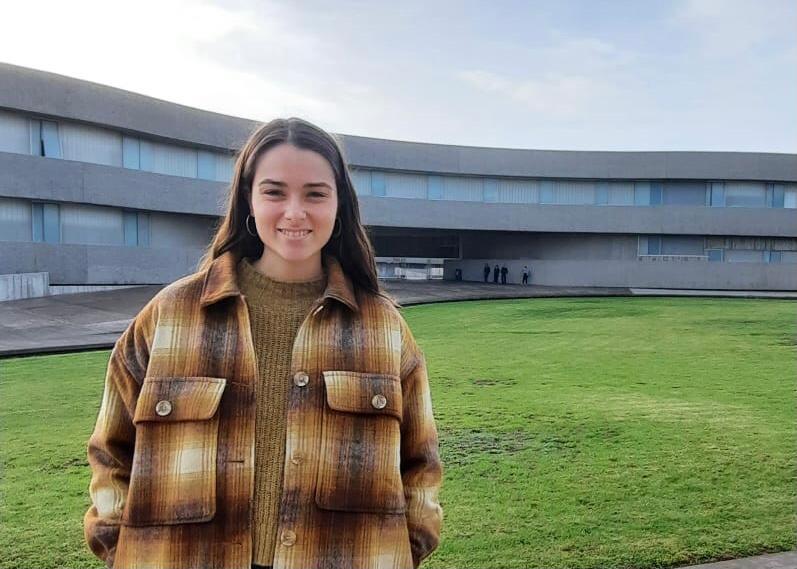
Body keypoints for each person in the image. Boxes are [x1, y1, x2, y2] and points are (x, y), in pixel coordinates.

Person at [83, 118, 443, 569]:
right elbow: (110, 451)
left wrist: (398, 552)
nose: (295, 212)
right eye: (275, 192)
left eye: (315, 193)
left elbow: (421, 466)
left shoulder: (383, 329)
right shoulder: (169, 316)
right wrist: (124, 548)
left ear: (340, 205)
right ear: (249, 199)